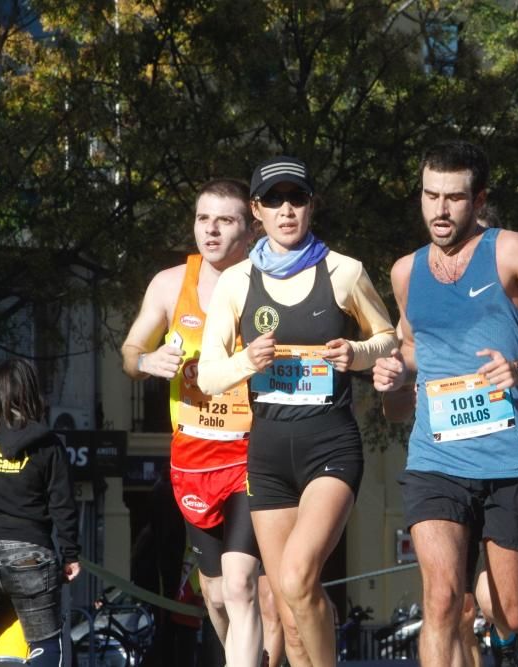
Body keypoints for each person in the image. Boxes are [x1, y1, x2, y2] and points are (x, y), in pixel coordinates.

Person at [372, 140, 518, 667]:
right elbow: (411, 347)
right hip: (435, 459)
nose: (440, 210)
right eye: (430, 196)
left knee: (511, 612)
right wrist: (394, 373)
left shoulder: (511, 250)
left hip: (506, 461)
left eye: (453, 197)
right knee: (443, 599)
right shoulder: (406, 271)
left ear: (479, 198)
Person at [197, 156, 396, 667]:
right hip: (268, 453)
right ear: (257, 211)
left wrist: (356, 354)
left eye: (298, 199)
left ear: (312, 206)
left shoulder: (344, 271)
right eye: (275, 201)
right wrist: (247, 360)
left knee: (297, 575)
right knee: (285, 607)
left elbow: (387, 337)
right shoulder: (236, 282)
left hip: (329, 443)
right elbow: (208, 375)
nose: (288, 210)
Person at [121, 178, 273, 667]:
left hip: (254, 450)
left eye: (225, 220)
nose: (211, 230)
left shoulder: (267, 284)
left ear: (249, 231)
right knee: (213, 592)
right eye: (203, 218)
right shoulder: (170, 284)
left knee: (241, 583)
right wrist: (148, 364)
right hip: (193, 453)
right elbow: (129, 351)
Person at [0, 358, 80, 666]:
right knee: (46, 644)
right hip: (30, 555)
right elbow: (63, 503)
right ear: (30, 393)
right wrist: (70, 555)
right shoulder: (47, 444)